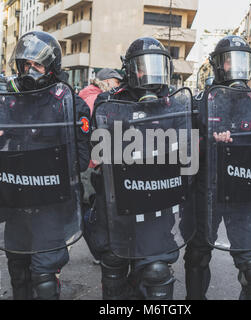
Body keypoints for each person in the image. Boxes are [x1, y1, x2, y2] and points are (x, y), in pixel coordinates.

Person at [0, 31, 91, 300]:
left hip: (50, 205)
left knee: (44, 275)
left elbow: (83, 158)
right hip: (16, 202)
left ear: (52, 67)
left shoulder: (70, 104)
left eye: (37, 64)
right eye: (25, 64)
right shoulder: (8, 101)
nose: (30, 70)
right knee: (18, 272)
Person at [90, 37, 194, 300]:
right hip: (117, 208)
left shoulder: (176, 106)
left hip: (157, 206)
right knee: (113, 265)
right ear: (129, 70)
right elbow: (98, 154)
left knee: (157, 271)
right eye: (142, 66)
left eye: (156, 66)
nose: (149, 73)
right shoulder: (108, 104)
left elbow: (188, 159)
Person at [184, 35, 251, 300]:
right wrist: (208, 144)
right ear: (218, 65)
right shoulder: (198, 104)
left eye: (242, 62)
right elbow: (183, 151)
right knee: (197, 256)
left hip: (247, 194)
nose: (236, 68)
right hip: (208, 191)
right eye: (229, 61)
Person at [79, 68, 122, 265]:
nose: (117, 86)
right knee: (90, 207)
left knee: (91, 205)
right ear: (104, 81)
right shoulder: (92, 98)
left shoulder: (91, 94)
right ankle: (99, 250)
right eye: (115, 82)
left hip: (91, 160)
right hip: (90, 163)